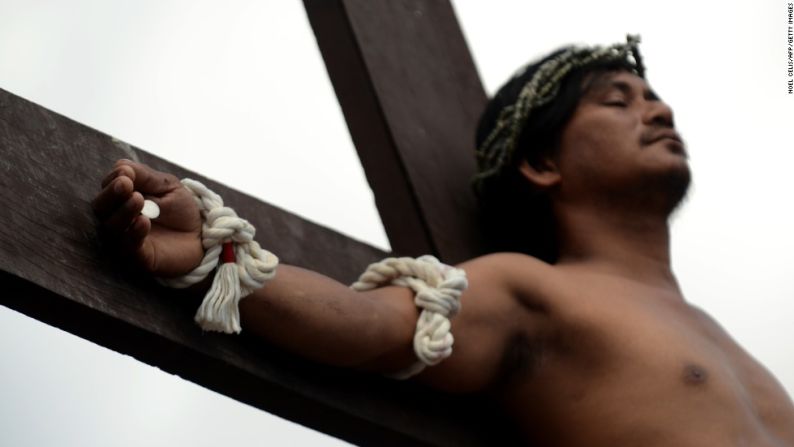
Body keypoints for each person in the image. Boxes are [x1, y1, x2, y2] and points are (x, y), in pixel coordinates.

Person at [91, 36, 794, 446]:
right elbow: (365, 323)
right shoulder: (533, 290)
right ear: (541, 163)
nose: (660, 108)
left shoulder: (740, 348)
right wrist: (215, 253)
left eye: (652, 98)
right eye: (618, 100)